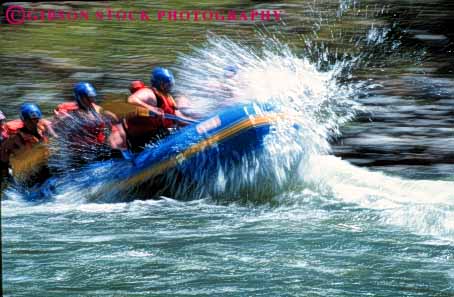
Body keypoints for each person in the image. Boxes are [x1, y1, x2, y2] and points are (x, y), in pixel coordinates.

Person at [109, 68, 194, 153]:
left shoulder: (167, 97)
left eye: (171, 84)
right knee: (168, 131)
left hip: (157, 135)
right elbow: (131, 100)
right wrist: (151, 108)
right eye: (168, 84)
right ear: (161, 84)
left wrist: (196, 123)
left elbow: (177, 117)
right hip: (142, 140)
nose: (170, 86)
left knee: (174, 127)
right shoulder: (149, 93)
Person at [51, 82, 118, 168]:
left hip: (98, 148)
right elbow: (56, 126)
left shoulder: (98, 109)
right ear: (79, 98)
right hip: (79, 153)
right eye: (87, 98)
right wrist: (61, 120)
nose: (91, 100)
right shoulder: (70, 111)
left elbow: (112, 124)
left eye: (92, 97)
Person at [1, 103, 56, 186]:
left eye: (36, 119)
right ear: (23, 120)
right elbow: (4, 154)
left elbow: (56, 139)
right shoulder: (15, 138)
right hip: (26, 173)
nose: (33, 122)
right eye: (30, 120)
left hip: (43, 166)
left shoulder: (45, 127)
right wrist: (5, 174)